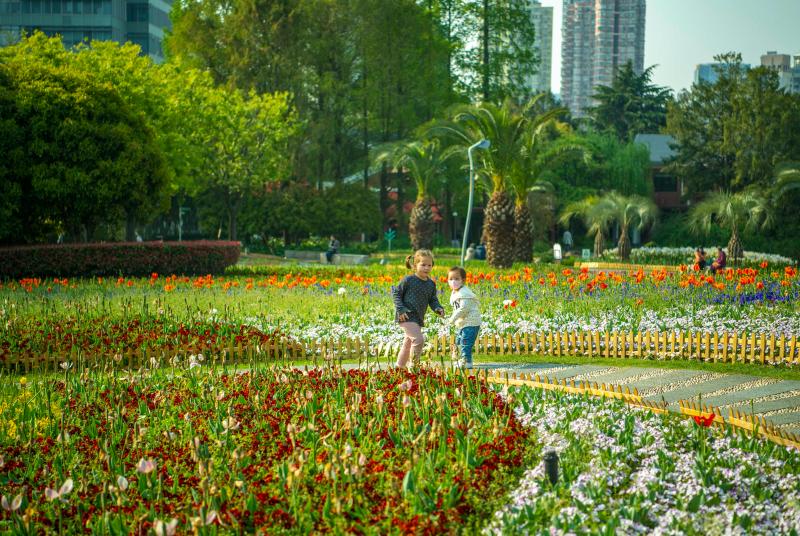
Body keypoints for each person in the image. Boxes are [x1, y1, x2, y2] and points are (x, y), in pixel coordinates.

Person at [392, 249, 445, 368]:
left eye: (429, 265)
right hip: (406, 315)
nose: (426, 268)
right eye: (423, 265)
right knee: (419, 340)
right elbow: (396, 294)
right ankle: (414, 366)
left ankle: (399, 367)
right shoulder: (408, 280)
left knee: (408, 343)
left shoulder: (431, 284)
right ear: (415, 265)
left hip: (418, 317)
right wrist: (401, 309)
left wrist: (438, 308)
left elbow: (432, 299)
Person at [447, 266, 481, 370]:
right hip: (463, 323)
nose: (453, 282)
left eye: (457, 279)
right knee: (459, 341)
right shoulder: (455, 292)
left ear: (463, 280)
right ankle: (460, 359)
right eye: (451, 279)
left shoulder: (464, 293)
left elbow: (463, 309)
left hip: (471, 322)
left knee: (465, 342)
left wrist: (452, 319)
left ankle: (467, 362)